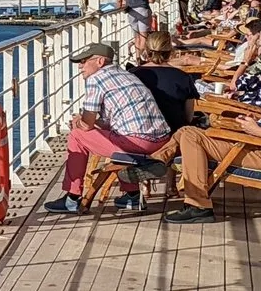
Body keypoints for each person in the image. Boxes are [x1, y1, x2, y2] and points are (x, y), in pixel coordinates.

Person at [161, 48, 261, 224]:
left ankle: (198, 205)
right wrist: (256, 122)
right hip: (256, 145)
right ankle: (157, 160)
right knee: (185, 132)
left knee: (191, 136)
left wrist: (257, 130)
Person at [43, 39, 174, 215]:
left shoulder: (97, 79)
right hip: (162, 139)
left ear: (100, 61)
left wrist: (78, 122)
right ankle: (132, 196)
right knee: (116, 138)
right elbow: (111, 121)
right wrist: (89, 122)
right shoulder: (125, 75)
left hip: (137, 142)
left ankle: (72, 198)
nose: (80, 67)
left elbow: (86, 125)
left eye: (84, 61)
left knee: (76, 135)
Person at [132, 28, 199, 131]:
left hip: (140, 130)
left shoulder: (133, 74)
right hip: (174, 131)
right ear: (171, 51)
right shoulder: (183, 77)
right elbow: (188, 117)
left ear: (147, 50)